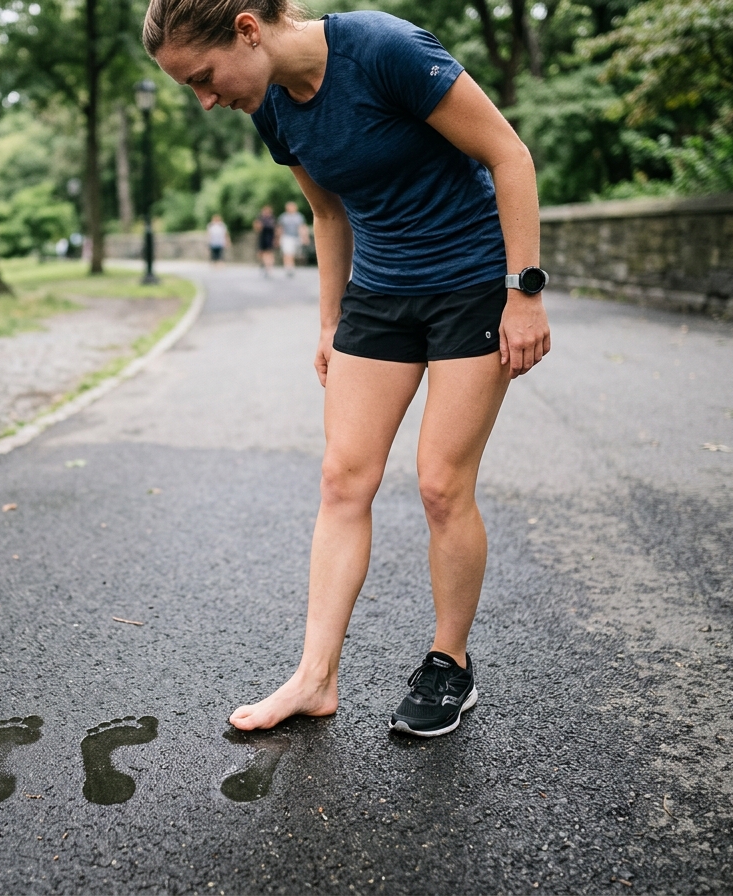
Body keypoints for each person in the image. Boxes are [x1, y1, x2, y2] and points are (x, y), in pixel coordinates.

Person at [144, 0, 550, 736]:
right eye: (189, 89)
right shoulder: (271, 108)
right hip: (381, 293)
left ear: (247, 28)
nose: (205, 100)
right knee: (342, 479)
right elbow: (329, 215)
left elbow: (508, 154)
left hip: (470, 282)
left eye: (203, 78)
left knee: (439, 484)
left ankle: (449, 664)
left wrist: (524, 293)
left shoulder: (381, 49)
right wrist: (330, 321)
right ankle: (315, 678)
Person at [278, 200, 308, 276]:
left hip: (296, 237)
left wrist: (304, 237)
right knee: (287, 252)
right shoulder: (283, 217)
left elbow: (302, 227)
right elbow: (280, 228)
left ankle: (290, 266)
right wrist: (278, 238)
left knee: (292, 253)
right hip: (286, 237)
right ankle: (288, 268)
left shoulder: (299, 216)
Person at [253, 205, 276, 276]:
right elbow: (257, 229)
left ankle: (268, 267)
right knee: (261, 253)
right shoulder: (260, 219)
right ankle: (264, 265)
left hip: (270, 238)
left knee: (269, 253)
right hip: (262, 238)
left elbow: (276, 229)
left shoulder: (272, 219)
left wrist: (276, 239)